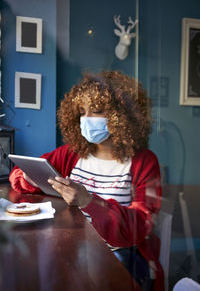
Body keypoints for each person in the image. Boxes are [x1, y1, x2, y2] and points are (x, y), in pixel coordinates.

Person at [9, 71, 164, 290]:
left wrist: (88, 200)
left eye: (97, 111)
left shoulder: (144, 162)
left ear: (123, 114)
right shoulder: (72, 153)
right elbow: (19, 173)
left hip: (120, 255)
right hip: (74, 249)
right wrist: (30, 178)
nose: (86, 119)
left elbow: (140, 225)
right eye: (82, 112)